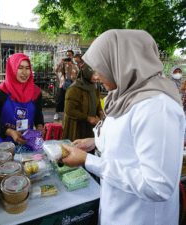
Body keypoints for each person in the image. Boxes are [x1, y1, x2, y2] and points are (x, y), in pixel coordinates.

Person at [61, 29, 184, 225]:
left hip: (138, 217)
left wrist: (88, 161)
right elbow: (129, 140)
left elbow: (158, 186)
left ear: (120, 62)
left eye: (100, 66)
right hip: (116, 210)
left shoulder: (156, 107)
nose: (97, 75)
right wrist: (94, 142)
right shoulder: (125, 96)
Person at [0, 53, 44, 148]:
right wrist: (10, 132)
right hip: (3, 143)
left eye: (27, 68)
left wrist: (40, 126)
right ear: (12, 69)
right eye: (20, 68)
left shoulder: (36, 92)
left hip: (27, 141)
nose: (24, 72)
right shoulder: (0, 92)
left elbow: (38, 115)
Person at [62, 63, 103, 142]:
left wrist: (100, 111)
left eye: (97, 74)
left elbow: (97, 102)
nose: (96, 77)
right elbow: (69, 110)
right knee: (76, 148)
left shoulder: (95, 86)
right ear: (86, 73)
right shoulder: (74, 89)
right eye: (93, 74)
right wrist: (88, 118)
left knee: (88, 147)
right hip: (75, 126)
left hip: (89, 125)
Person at [54, 50, 80, 120]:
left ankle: (68, 114)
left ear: (73, 56)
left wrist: (74, 78)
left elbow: (78, 75)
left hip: (72, 85)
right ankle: (56, 113)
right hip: (63, 84)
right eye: (67, 55)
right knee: (60, 99)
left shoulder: (75, 66)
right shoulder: (63, 64)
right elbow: (56, 70)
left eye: (70, 55)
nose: (68, 56)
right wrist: (60, 62)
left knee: (71, 100)